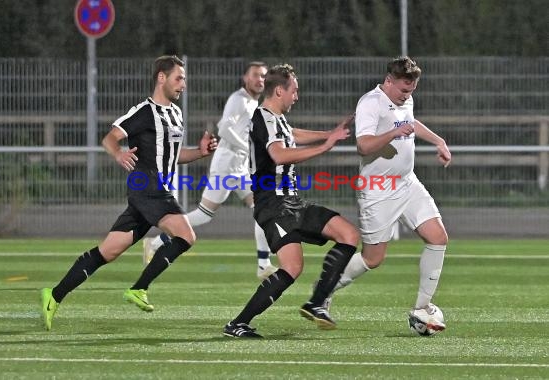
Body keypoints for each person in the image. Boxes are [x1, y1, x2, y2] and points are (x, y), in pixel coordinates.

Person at [40, 55, 218, 330]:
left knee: (108, 252)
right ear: (162, 77)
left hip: (153, 195)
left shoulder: (176, 114)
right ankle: (139, 288)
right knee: (186, 234)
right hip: (148, 189)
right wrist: (118, 153)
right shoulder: (143, 112)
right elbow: (109, 138)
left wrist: (200, 152)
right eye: (178, 78)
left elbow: (171, 156)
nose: (183, 84)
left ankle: (53, 295)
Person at [222, 63, 360, 338]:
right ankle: (238, 324)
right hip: (272, 205)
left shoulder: (278, 118)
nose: (297, 96)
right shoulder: (262, 118)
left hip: (292, 201)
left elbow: (292, 134)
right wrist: (324, 146)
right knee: (293, 267)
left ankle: (316, 303)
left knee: (348, 234)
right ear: (279, 91)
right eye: (294, 91)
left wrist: (329, 134)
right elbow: (280, 155)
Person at [317, 56, 451, 332]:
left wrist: (438, 140)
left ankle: (422, 308)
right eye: (403, 90)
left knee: (438, 237)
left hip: (407, 182)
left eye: (411, 91)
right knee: (373, 258)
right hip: (378, 188)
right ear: (389, 80)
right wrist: (393, 133)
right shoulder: (370, 103)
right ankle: (324, 291)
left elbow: (411, 123)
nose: (407, 96)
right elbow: (364, 146)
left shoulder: (405, 99)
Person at [142, 62, 278, 280]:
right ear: (245, 78)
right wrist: (248, 148)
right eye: (255, 75)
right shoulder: (239, 99)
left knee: (262, 209)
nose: (260, 79)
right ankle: (156, 241)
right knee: (203, 216)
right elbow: (224, 128)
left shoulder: (253, 102)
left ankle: (264, 264)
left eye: (263, 76)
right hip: (226, 167)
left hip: (240, 169)